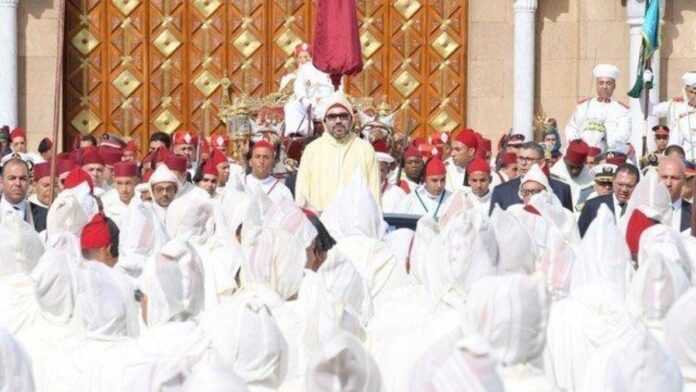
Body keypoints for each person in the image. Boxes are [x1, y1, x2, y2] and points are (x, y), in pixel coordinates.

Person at [295, 93, 380, 211]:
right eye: (332, 117)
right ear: (324, 121)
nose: (338, 121)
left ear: (351, 120)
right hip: (321, 223)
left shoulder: (365, 149)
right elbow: (301, 195)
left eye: (343, 116)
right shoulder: (312, 150)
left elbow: (374, 194)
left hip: (356, 224)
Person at [489, 142, 572, 213]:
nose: (523, 163)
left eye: (529, 159)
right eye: (520, 158)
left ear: (542, 163)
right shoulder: (501, 191)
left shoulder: (561, 190)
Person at [564, 64, 631, 152]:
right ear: (596, 85)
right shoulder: (584, 106)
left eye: (608, 83)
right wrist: (579, 147)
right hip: (582, 153)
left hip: (609, 153)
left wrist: (603, 147)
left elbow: (623, 134)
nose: (604, 86)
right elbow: (572, 128)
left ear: (614, 86)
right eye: (601, 83)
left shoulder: (622, 110)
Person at [283, 43, 335, 136]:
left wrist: (320, 98)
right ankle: (297, 135)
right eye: (300, 57)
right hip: (306, 104)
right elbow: (298, 88)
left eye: (306, 57)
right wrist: (304, 99)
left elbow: (330, 88)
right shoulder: (297, 73)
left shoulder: (325, 70)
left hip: (323, 103)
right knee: (292, 106)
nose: (303, 60)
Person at [577, 163, 640, 237]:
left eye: (629, 186)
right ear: (613, 181)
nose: (624, 189)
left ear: (637, 185)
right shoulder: (593, 205)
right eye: (620, 184)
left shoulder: (643, 208)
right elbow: (580, 238)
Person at [653, 71, 696, 161]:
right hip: (685, 162)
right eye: (692, 92)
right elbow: (652, 111)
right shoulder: (675, 106)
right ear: (686, 91)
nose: (695, 96)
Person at [550, 139, 594, 213]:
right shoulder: (553, 176)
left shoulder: (591, 180)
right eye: (571, 167)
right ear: (565, 161)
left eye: (578, 168)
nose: (574, 171)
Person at [0, 158, 46, 229]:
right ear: (2, 181)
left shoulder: (44, 215)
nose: (18, 183)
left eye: (22, 179)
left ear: (29, 181)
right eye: (12, 178)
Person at [246, 140, 294, 204]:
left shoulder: (283, 191)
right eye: (257, 157)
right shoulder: (241, 185)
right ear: (250, 162)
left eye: (266, 157)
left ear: (273, 163)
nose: (261, 161)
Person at [658, 156, 692, 232]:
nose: (668, 183)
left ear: (683, 181)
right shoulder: (645, 211)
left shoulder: (693, 213)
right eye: (664, 177)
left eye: (674, 178)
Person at [101, 161, 138, 228]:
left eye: (128, 183)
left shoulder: (144, 202)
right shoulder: (105, 202)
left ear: (135, 181)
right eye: (119, 183)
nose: (124, 189)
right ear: (114, 181)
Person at [28, 161, 50, 232]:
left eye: (55, 185)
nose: (50, 189)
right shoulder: (28, 209)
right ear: (35, 184)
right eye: (46, 185)